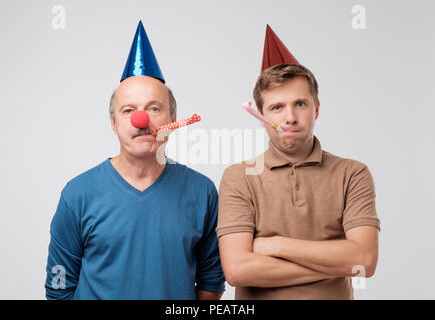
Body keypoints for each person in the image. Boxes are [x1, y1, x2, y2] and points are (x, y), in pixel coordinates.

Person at [45, 21, 225, 300]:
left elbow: (211, 279)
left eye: (154, 108)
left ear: (173, 121)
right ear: (114, 124)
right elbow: (58, 284)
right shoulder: (77, 194)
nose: (141, 120)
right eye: (128, 110)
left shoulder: (202, 191)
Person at [216, 25, 380, 299]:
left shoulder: (353, 174)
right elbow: (237, 270)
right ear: (260, 116)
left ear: (316, 107)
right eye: (277, 107)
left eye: (300, 104)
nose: (290, 118)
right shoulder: (238, 177)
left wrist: (276, 245)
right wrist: (335, 265)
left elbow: (364, 259)